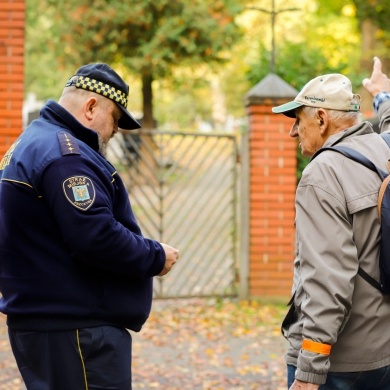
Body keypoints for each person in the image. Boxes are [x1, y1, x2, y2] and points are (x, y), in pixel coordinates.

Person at [0, 63, 179, 390]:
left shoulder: (33, 142)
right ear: (92, 107)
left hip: (50, 324)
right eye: (114, 120)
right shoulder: (66, 156)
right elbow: (96, 236)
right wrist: (155, 255)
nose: (114, 132)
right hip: (76, 330)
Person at [272, 58, 390, 390]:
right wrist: (383, 97)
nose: (293, 130)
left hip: (341, 365)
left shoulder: (322, 174)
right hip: (384, 354)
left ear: (321, 119)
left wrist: (310, 370)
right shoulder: (383, 149)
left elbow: (328, 280)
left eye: (298, 119)